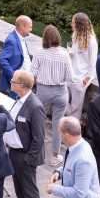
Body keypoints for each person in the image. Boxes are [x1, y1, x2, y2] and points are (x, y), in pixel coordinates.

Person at [1, 69, 45, 198]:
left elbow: (39, 137)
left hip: (25, 155)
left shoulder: (35, 106)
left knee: (29, 189)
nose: (10, 82)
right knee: (18, 186)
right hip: (14, 152)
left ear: (22, 85)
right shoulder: (19, 100)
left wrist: (29, 159)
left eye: (13, 81)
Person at [31, 25, 73, 167]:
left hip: (43, 91)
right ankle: (55, 156)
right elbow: (70, 77)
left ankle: (37, 152)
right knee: (57, 125)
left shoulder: (39, 52)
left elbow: (33, 74)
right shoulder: (65, 54)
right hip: (61, 92)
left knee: (38, 121)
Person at [67, 12, 99, 120]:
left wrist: (87, 78)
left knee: (76, 107)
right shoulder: (75, 35)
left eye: (73, 22)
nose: (71, 24)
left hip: (81, 78)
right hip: (71, 74)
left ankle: (72, 129)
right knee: (66, 102)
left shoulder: (92, 41)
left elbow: (93, 62)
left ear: (78, 24)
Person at [0, 15, 33, 98]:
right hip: (14, 86)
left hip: (22, 83)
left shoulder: (20, 38)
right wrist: (14, 76)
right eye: (30, 27)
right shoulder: (12, 40)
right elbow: (1, 59)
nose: (31, 30)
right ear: (23, 26)